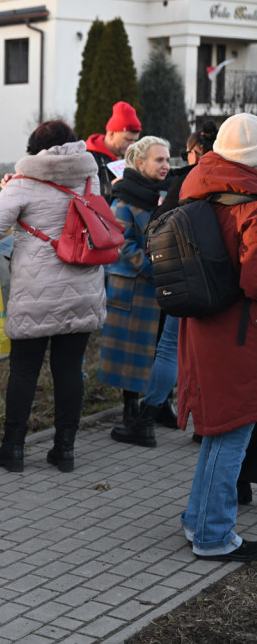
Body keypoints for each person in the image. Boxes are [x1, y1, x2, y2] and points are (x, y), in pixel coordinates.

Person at [0, 120, 105, 472]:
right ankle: (65, 450)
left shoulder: (23, 182)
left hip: (36, 291)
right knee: (70, 368)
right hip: (84, 285)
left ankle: (12, 449)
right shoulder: (90, 176)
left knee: (24, 370)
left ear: (35, 148)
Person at [177, 112, 257, 562]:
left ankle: (197, 519)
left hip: (204, 324)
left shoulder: (199, 188)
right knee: (233, 430)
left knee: (218, 430)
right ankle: (213, 535)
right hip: (241, 332)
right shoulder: (250, 203)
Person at [142, 121, 220, 431]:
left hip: (190, 275)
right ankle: (206, 423)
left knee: (170, 347)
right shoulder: (244, 179)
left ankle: (146, 418)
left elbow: (158, 224)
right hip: (227, 280)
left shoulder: (191, 178)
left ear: (196, 151)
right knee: (213, 352)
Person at [98, 136, 171, 447]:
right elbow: (122, 243)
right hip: (132, 287)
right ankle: (131, 409)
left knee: (158, 350)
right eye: (159, 160)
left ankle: (159, 406)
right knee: (130, 354)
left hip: (159, 288)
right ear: (140, 163)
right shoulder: (123, 200)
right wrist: (154, 270)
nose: (166, 165)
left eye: (167, 159)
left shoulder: (162, 196)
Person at [84, 101, 141, 200]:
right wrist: (112, 187)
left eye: (134, 140)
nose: (132, 145)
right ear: (111, 134)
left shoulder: (131, 157)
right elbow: (86, 195)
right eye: (127, 140)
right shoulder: (89, 158)